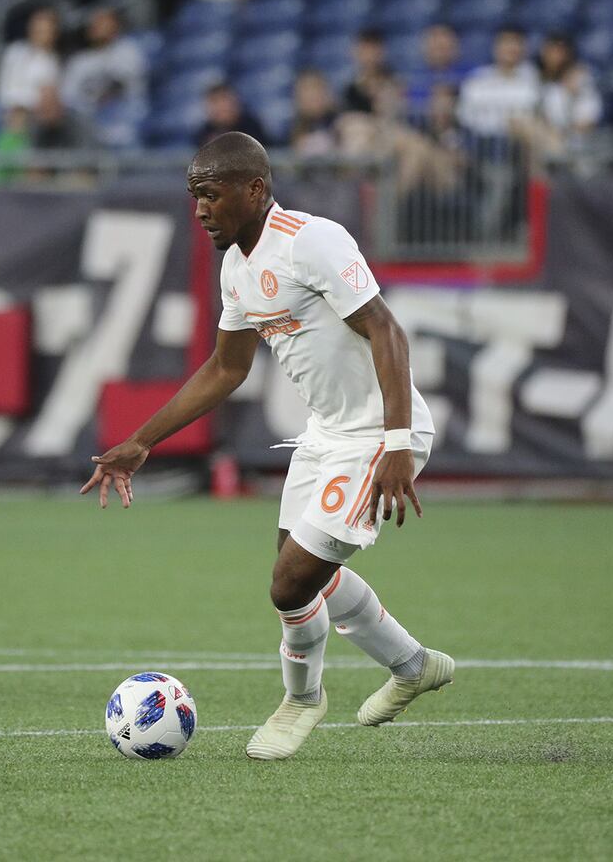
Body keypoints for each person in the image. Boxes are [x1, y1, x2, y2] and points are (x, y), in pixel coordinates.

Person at [82, 132, 446, 761]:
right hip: (326, 434)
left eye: (210, 194)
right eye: (194, 196)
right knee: (308, 578)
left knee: (289, 585)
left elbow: (387, 330)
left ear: (254, 189)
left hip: (379, 434)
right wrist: (141, 442)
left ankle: (302, 700)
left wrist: (395, 443)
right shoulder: (236, 267)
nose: (200, 209)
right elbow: (227, 368)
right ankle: (413, 666)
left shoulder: (312, 241)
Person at [60, 8, 148, 119]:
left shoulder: (128, 50)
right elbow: (68, 98)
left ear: (115, 26)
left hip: (128, 117)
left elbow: (134, 84)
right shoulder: (78, 62)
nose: (96, 26)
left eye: (102, 22)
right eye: (94, 23)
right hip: (90, 120)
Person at [456, 25, 540, 137]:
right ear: (495, 47)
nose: (511, 48)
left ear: (524, 49)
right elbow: (465, 115)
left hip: (525, 138)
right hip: (484, 138)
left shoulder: (534, 77)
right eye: (506, 43)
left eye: (516, 43)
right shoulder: (478, 79)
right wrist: (500, 126)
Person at [0, 7, 62, 111]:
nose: (37, 34)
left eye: (43, 31)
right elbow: (4, 88)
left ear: (54, 34)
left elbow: (46, 101)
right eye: (35, 29)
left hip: (30, 113)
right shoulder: (14, 50)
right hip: (2, 108)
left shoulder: (52, 63)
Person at [403, 24, 473, 123]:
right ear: (425, 48)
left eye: (443, 47)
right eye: (436, 47)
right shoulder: (415, 77)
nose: (440, 52)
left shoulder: (471, 75)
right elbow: (411, 105)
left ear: (456, 47)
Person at [341, 29, 398, 115]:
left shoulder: (396, 84)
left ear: (382, 52)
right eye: (366, 51)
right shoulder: (349, 90)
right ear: (356, 53)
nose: (370, 57)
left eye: (374, 51)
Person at [195, 83, 269, 147]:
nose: (221, 106)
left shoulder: (252, 128)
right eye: (215, 101)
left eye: (224, 99)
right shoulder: (204, 133)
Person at [288, 69, 339, 155]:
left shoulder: (341, 124)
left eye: (316, 88)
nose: (312, 95)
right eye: (306, 90)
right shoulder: (290, 130)